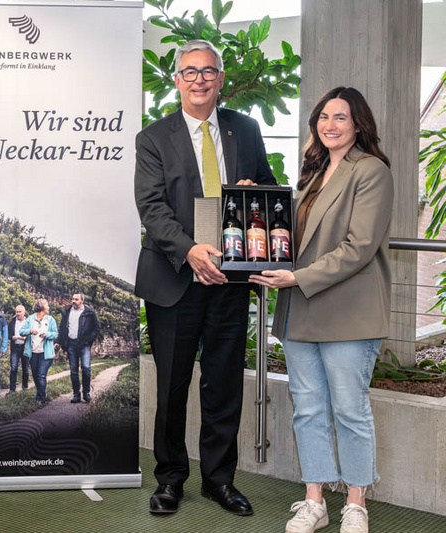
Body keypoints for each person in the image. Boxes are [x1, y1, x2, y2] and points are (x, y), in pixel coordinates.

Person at [134, 39, 276, 516]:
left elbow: (270, 192)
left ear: (220, 79)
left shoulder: (246, 131)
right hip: (175, 279)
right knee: (172, 387)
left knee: (224, 384)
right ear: (176, 80)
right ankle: (170, 479)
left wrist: (258, 194)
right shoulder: (153, 138)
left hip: (231, 280)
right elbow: (152, 210)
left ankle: (219, 481)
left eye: (208, 71)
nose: (199, 79)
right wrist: (191, 250)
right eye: (189, 72)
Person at [250, 87, 393, 533]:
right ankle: (314, 499)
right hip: (301, 312)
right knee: (308, 408)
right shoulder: (312, 174)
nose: (329, 125)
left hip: (348, 312)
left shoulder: (371, 171)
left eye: (340, 117)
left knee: (350, 410)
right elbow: (293, 237)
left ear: (358, 124)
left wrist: (298, 278)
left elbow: (360, 247)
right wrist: (258, 199)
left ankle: (355, 503)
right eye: (323, 117)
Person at [56, 293, 101, 403]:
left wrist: (88, 340)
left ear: (82, 301)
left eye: (76, 299)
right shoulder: (67, 312)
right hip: (71, 344)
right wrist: (58, 341)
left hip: (84, 344)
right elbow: (62, 328)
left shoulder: (89, 312)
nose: (73, 301)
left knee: (86, 368)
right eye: (72, 299)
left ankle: (86, 393)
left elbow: (97, 328)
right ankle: (76, 394)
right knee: (73, 370)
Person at [20, 299, 59, 407]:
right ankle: (42, 393)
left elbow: (55, 334)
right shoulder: (30, 319)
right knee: (36, 375)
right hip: (33, 352)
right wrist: (30, 331)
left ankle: (40, 398)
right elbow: (21, 331)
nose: (49, 307)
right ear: (42, 307)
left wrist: (47, 334)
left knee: (41, 375)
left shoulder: (51, 319)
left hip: (45, 353)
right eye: (47, 305)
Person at [7, 304, 30, 393]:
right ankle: (12, 390)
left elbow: (31, 333)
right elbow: (8, 335)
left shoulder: (28, 322)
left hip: (25, 347)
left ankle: (25, 387)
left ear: (24, 312)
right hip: (15, 347)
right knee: (13, 368)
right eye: (16, 312)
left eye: (19, 312)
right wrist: (13, 337)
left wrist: (26, 338)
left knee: (26, 369)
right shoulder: (12, 322)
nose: (18, 313)